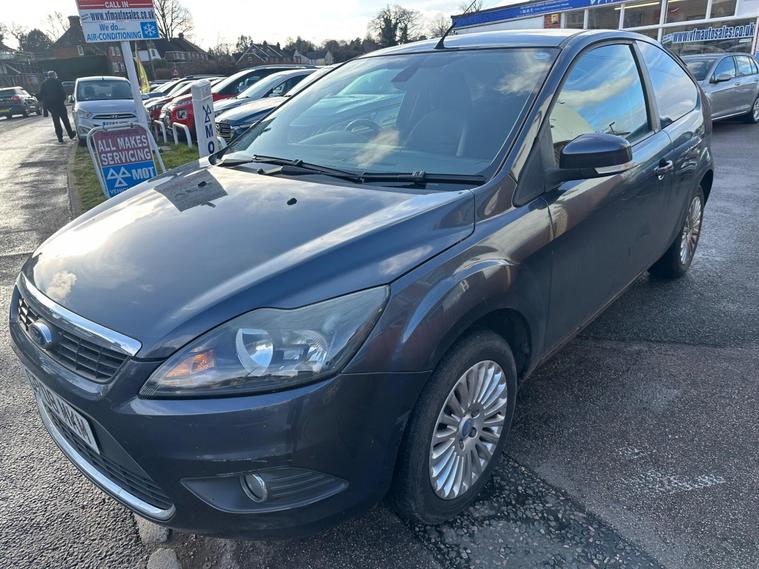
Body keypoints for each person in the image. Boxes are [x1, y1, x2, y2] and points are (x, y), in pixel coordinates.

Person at [39, 71, 75, 143]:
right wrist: (63, 99)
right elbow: (62, 92)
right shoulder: (57, 82)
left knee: (56, 121)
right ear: (53, 75)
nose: (56, 76)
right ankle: (70, 134)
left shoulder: (44, 83)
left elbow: (41, 95)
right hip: (59, 104)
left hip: (51, 106)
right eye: (56, 75)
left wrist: (46, 106)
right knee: (65, 120)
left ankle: (60, 137)